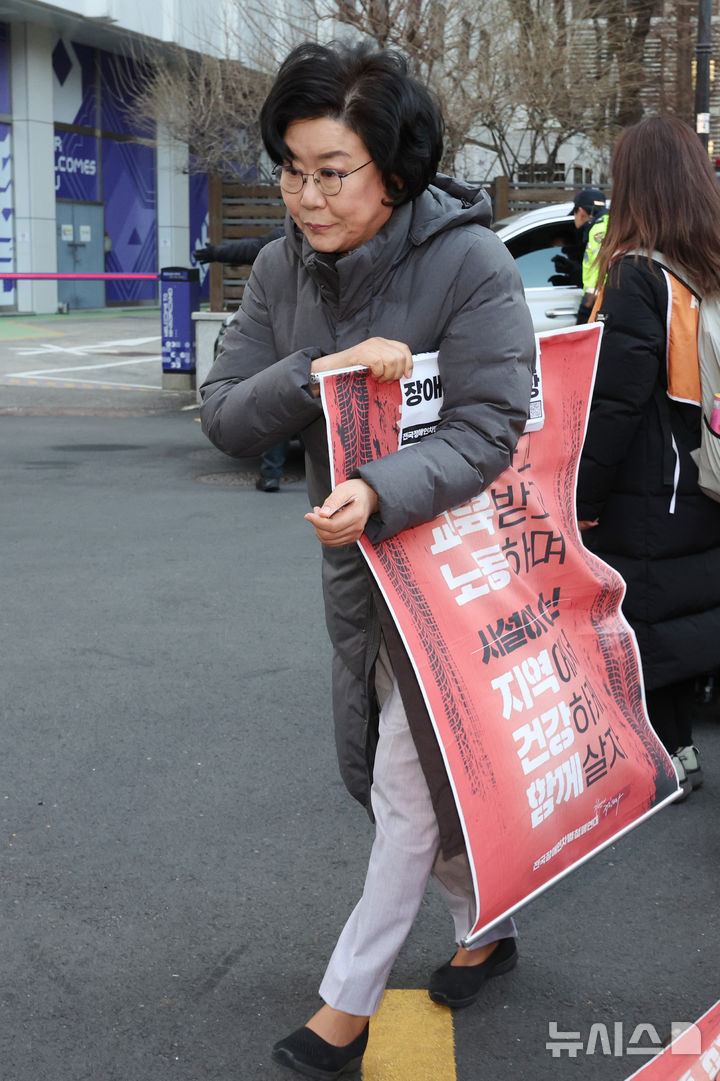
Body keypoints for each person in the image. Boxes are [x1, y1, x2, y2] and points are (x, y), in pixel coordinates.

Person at [200, 40, 535, 1079]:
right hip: (354, 573)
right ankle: (488, 922)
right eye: (291, 169)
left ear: (395, 168)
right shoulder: (277, 269)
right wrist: (317, 370)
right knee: (394, 773)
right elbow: (222, 416)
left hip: (455, 574)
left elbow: (492, 425)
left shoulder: (467, 263)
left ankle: (342, 1012)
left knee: (401, 783)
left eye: (331, 172)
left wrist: (385, 487)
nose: (305, 196)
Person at [576, 114, 720, 801]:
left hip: (654, 488)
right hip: (708, 473)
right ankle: (678, 750)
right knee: (687, 614)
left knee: (644, 623)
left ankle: (666, 760)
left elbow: (613, 407)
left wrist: (584, 502)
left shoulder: (638, 276)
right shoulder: (708, 269)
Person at [195, 231, 290, 491]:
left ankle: (271, 473)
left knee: (278, 402)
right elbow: (251, 247)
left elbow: (250, 247)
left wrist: (215, 253)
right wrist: (216, 253)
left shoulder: (283, 242)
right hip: (312, 335)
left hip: (278, 334)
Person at [570, 186, 608, 323]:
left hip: (596, 299)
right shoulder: (607, 224)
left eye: (573, 214)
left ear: (580, 211)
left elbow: (600, 266)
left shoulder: (598, 229)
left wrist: (588, 302)